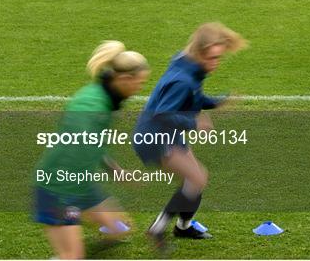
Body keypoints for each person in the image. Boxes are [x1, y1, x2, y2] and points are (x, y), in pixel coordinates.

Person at [133, 22, 246, 248]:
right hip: (154, 136)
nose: (216, 64)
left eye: (219, 58)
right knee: (197, 178)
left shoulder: (189, 66)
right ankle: (158, 228)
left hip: (167, 133)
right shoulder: (181, 80)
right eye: (212, 58)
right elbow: (162, 114)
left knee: (194, 181)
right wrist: (193, 122)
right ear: (199, 52)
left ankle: (182, 227)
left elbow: (194, 96)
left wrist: (215, 101)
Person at [34, 41, 150, 259]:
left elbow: (93, 144)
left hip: (81, 183)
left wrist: (115, 169)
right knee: (72, 255)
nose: (139, 89)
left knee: (119, 228)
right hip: (58, 188)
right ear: (124, 79)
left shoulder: (104, 98)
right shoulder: (92, 105)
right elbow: (81, 135)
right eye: (139, 83)